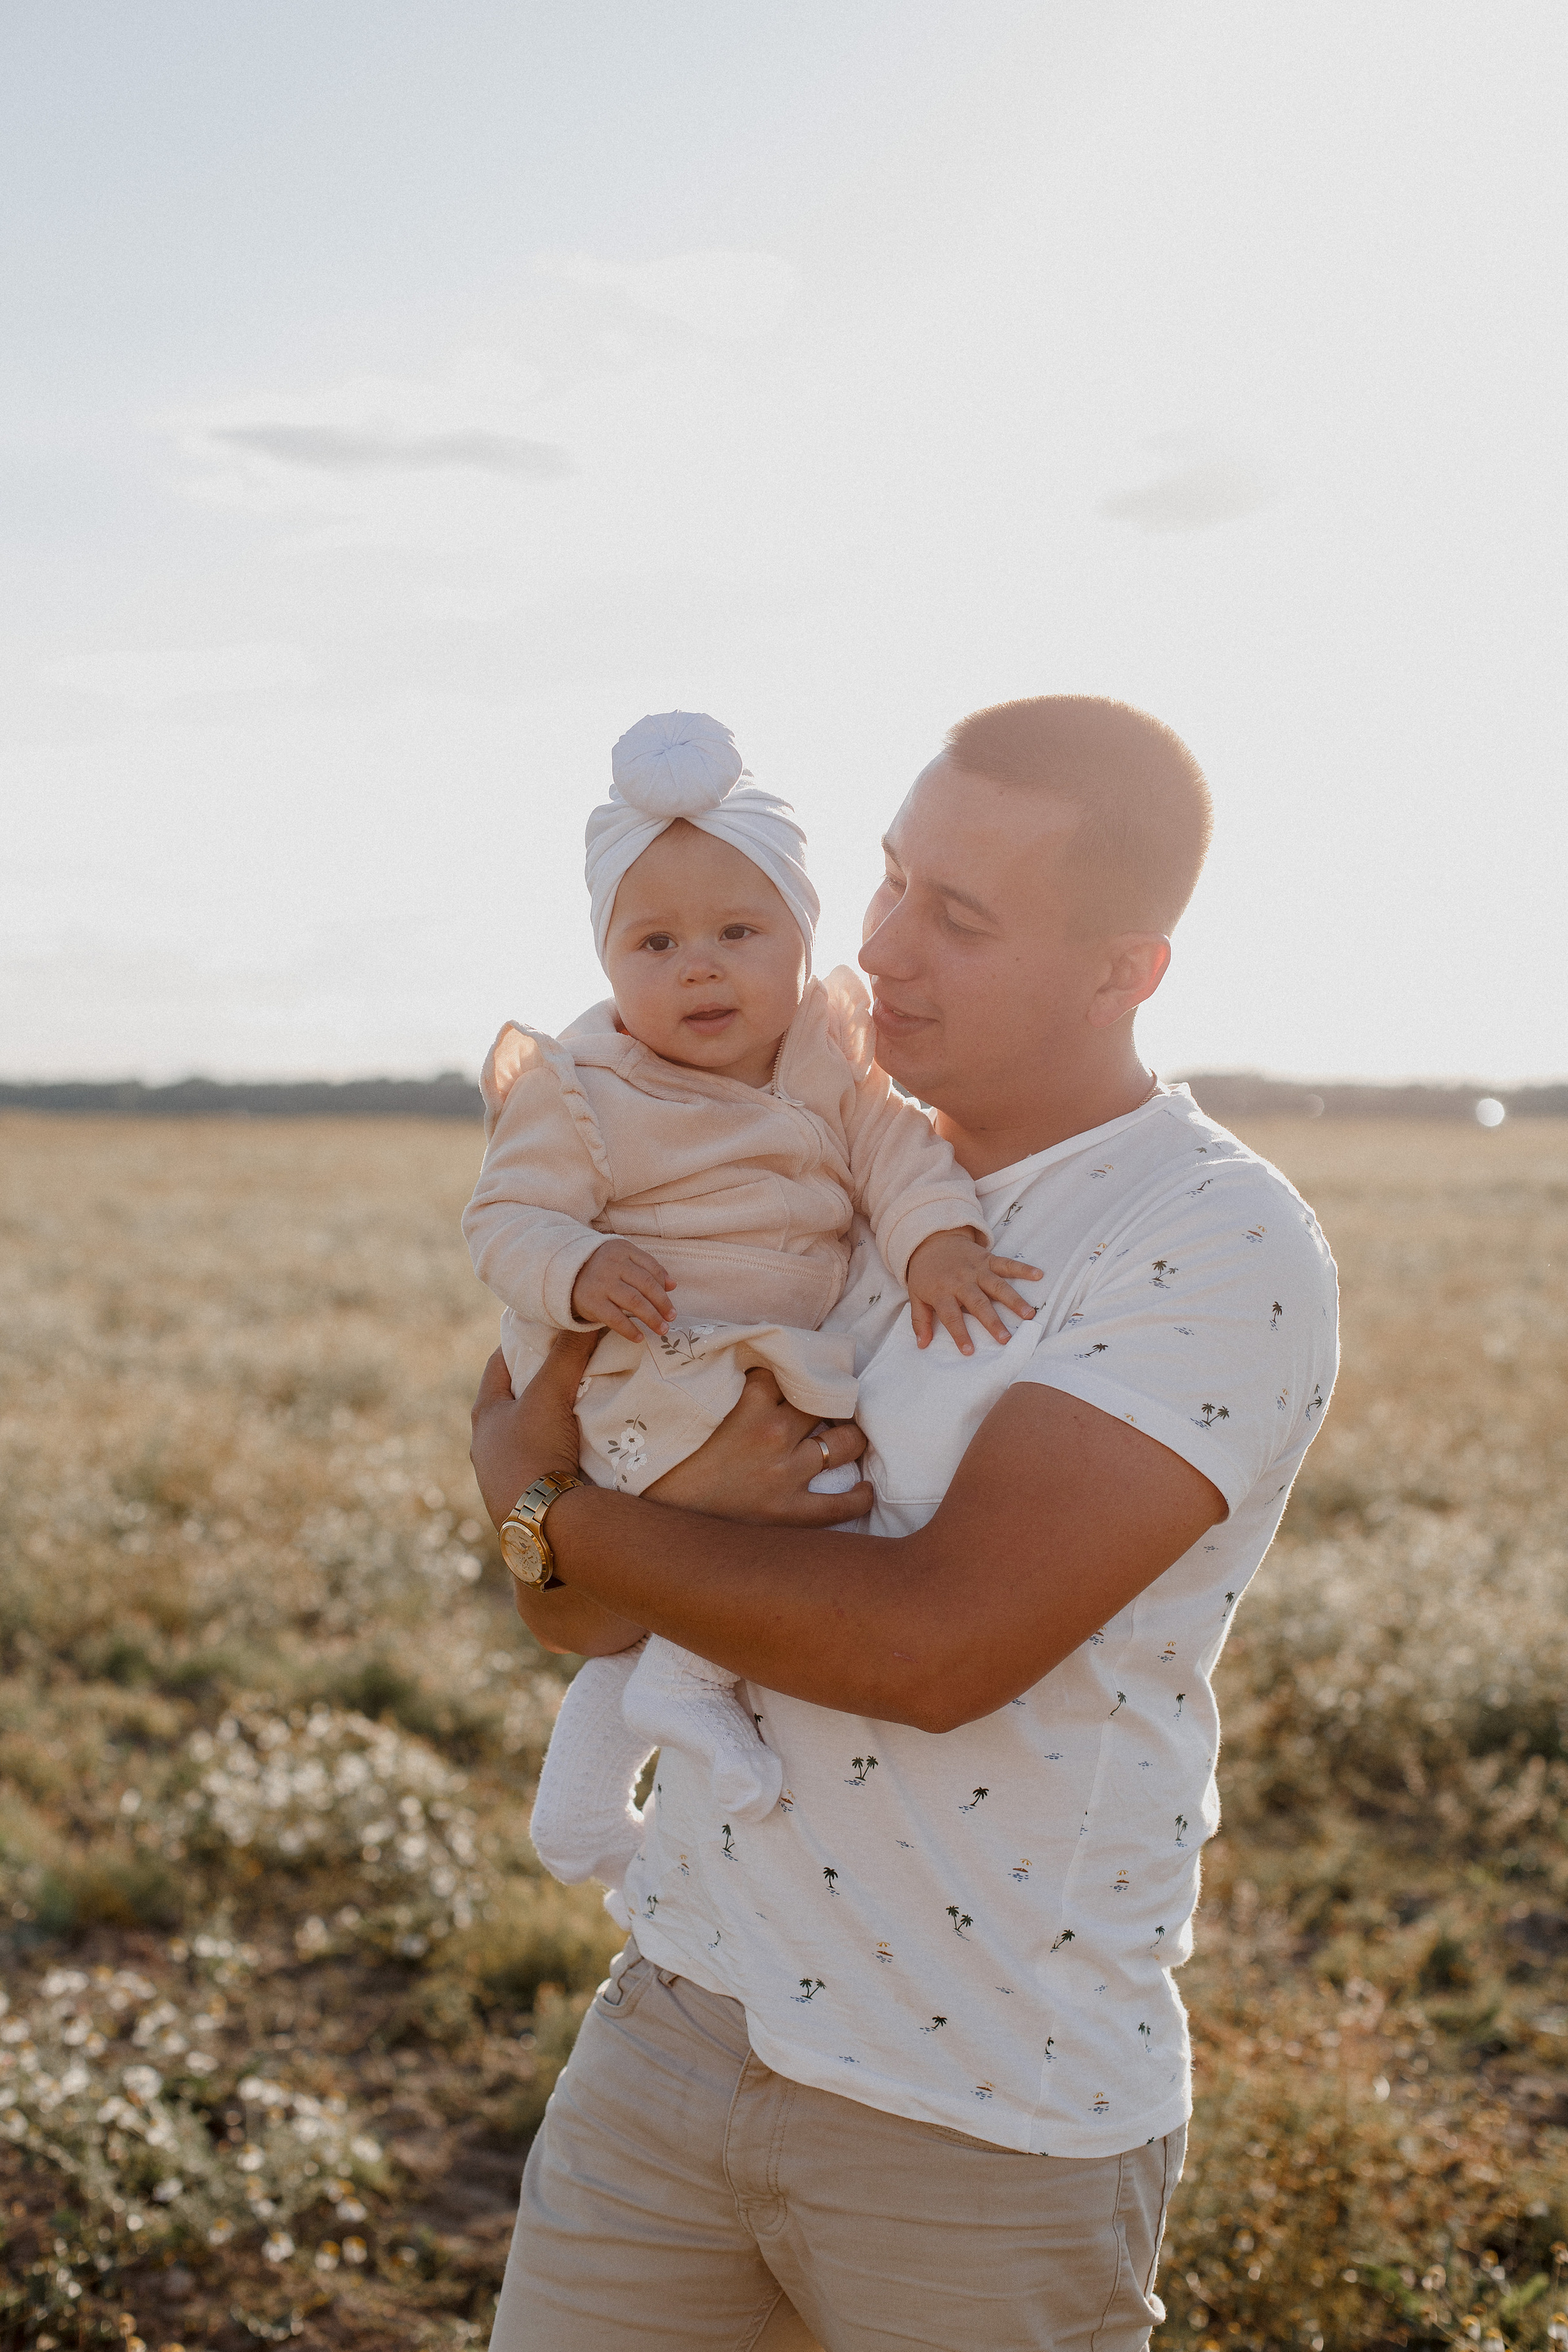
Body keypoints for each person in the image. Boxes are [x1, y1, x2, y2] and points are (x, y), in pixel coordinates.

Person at [470, 695, 1340, 2352]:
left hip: (978, 2115)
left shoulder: (1210, 1242)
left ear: (1124, 970)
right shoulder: (780, 1147)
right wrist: (553, 1514)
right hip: (677, 2022)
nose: (881, 943)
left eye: (962, 915)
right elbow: (568, 1596)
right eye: (886, 880)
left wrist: (544, 1503)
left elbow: (930, 1647)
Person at [464, 709, 1036, 1904]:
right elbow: (503, 1222)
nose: (698, 966)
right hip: (641, 1358)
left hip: (743, 1367)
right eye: (654, 942)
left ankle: (580, 1815)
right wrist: (574, 1266)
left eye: (737, 930)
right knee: (803, 1483)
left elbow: (894, 1155)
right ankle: (683, 1683)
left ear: (799, 938)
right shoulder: (582, 1087)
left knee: (749, 1512)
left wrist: (936, 1241)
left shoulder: (829, 1059)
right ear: (606, 962)